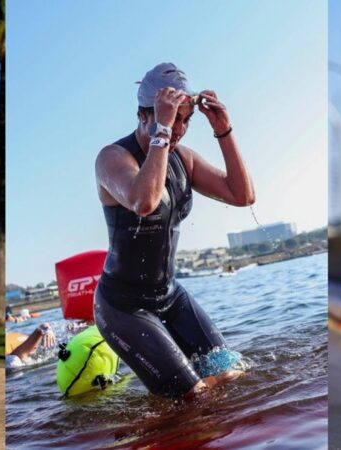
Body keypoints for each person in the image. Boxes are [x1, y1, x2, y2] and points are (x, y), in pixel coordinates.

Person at [93, 63, 255, 398]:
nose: (179, 128)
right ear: (142, 116)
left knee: (233, 373)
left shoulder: (185, 159)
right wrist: (162, 130)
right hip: (123, 306)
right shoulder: (112, 158)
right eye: (171, 117)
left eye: (184, 120)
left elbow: (243, 196)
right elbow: (144, 201)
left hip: (170, 295)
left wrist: (224, 130)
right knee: (191, 398)